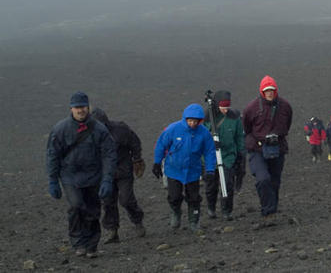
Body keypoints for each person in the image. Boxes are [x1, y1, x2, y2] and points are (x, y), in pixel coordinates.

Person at [46, 92, 117, 258]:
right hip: (70, 176)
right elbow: (52, 155)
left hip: (93, 175)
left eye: (83, 107)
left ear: (88, 107)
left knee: (92, 211)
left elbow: (109, 153)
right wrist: (53, 180)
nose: (80, 110)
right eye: (77, 107)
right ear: (71, 109)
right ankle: (78, 242)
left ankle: (92, 245)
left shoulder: (99, 129)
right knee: (76, 206)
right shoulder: (60, 129)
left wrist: (107, 179)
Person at [153, 103, 216, 231]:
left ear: (200, 121)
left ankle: (194, 221)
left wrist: (210, 169)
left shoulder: (204, 133)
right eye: (190, 120)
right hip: (174, 170)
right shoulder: (173, 129)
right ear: (185, 119)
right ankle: (176, 213)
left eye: (195, 121)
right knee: (174, 196)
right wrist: (157, 163)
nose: (192, 123)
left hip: (193, 171)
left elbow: (209, 152)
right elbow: (161, 145)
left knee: (194, 198)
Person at [242, 75, 294, 226]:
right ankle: (268, 211)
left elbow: (288, 124)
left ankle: (272, 209)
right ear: (262, 91)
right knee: (263, 179)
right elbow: (246, 127)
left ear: (276, 90)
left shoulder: (285, 106)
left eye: (271, 90)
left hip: (277, 147)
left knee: (274, 180)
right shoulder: (251, 108)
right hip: (257, 149)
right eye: (266, 91)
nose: (269, 93)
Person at [88, 108, 146, 243]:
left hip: (123, 170)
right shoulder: (90, 135)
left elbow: (135, 142)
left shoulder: (121, 129)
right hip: (104, 174)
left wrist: (137, 159)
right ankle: (112, 231)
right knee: (108, 202)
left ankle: (138, 221)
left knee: (126, 199)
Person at [203, 90, 245, 221]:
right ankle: (211, 207)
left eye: (227, 107)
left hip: (228, 157)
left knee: (228, 184)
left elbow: (239, 137)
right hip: (210, 158)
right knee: (211, 185)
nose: (225, 110)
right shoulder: (207, 117)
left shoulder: (235, 118)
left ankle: (227, 210)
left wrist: (241, 153)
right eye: (222, 107)